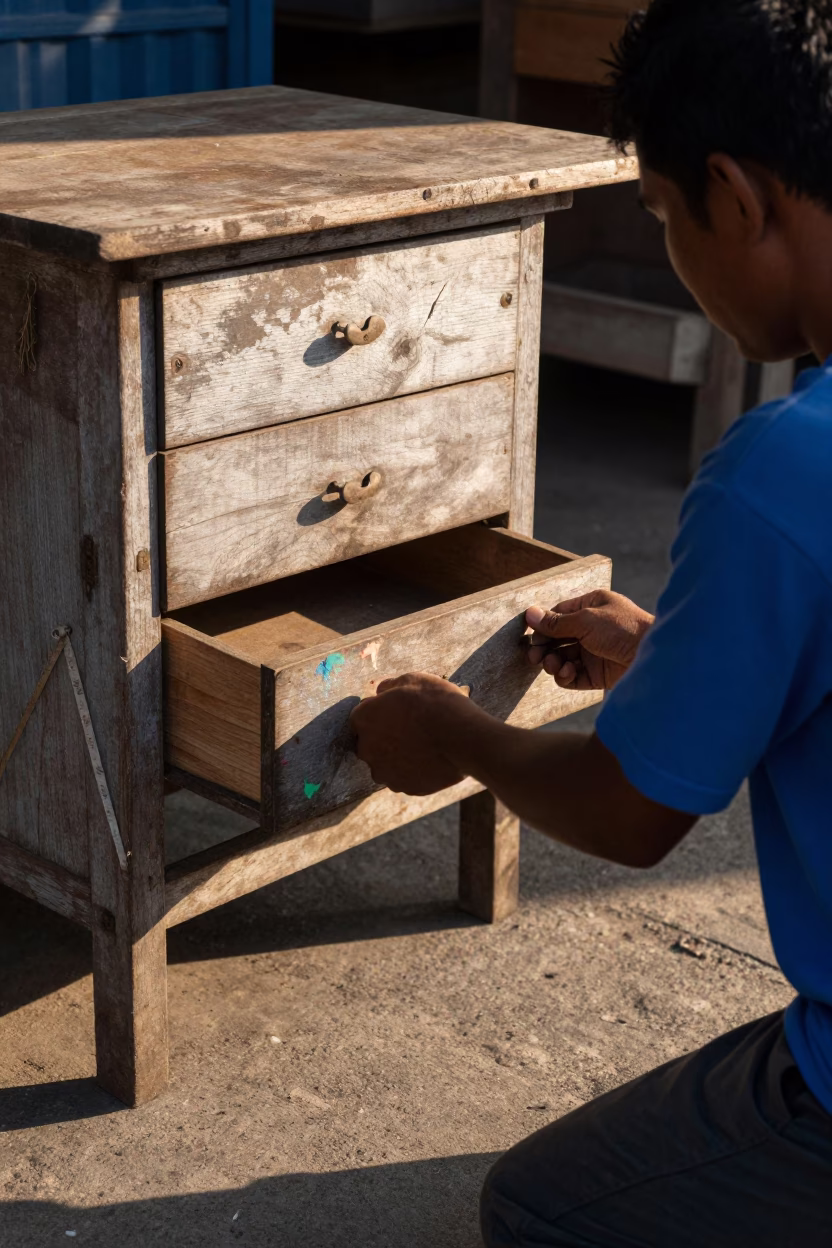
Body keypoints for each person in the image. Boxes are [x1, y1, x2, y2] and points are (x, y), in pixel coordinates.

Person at [349, 0, 832, 1243]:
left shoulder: (784, 468)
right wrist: (680, 649)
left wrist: (458, 737)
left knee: (540, 1208)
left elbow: (630, 816)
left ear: (734, 195)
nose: (672, 244)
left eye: (663, 217)